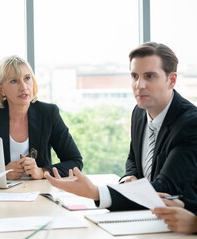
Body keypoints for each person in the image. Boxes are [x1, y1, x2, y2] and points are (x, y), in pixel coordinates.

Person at [44, 42, 197, 212]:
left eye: (150, 76)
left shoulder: (190, 124)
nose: (139, 85)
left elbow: (166, 188)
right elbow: (133, 158)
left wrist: (96, 192)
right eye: (134, 76)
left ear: (172, 80)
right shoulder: (139, 112)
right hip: (145, 215)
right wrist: (129, 177)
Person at [0, 55, 83, 180]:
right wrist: (1, 172)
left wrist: (42, 171)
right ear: (1, 89)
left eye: (27, 78)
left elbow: (75, 161)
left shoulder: (49, 114)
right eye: (14, 81)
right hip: (1, 195)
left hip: (39, 192)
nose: (23, 87)